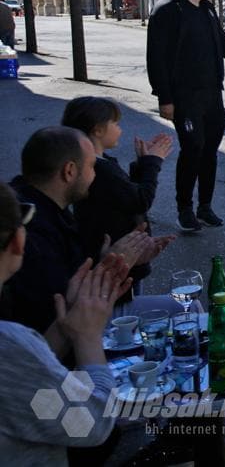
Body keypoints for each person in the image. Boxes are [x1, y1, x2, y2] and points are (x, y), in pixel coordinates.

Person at [0, 181, 133, 465]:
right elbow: (90, 424)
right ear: (17, 241)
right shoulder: (7, 343)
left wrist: (66, 323)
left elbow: (27, 394)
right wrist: (88, 337)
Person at [0, 127, 165, 333]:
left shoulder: (41, 204)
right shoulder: (34, 232)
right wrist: (106, 268)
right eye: (92, 166)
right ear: (69, 171)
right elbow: (61, 315)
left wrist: (111, 258)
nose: (95, 175)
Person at [146, 0, 225, 232]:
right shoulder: (168, 11)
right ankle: (185, 208)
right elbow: (156, 58)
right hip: (184, 97)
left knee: (209, 151)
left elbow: (222, 41)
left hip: (212, 95)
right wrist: (164, 99)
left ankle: (205, 207)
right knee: (193, 148)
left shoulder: (207, 9)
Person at [62, 96, 174, 296]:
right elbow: (140, 200)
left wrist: (142, 164)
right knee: (129, 306)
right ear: (97, 129)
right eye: (115, 123)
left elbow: (125, 194)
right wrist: (152, 163)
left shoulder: (99, 163)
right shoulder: (101, 169)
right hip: (119, 261)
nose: (119, 128)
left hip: (122, 254)